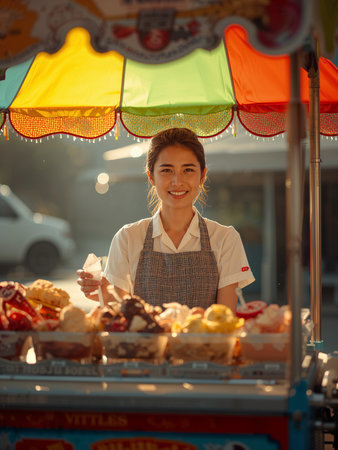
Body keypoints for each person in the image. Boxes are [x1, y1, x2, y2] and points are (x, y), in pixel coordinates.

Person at [77, 127, 254, 313]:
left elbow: (224, 322)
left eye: (188, 170)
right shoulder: (127, 238)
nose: (177, 181)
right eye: (167, 170)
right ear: (151, 176)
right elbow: (122, 317)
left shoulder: (225, 239)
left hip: (205, 343)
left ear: (202, 176)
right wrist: (105, 293)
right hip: (143, 343)